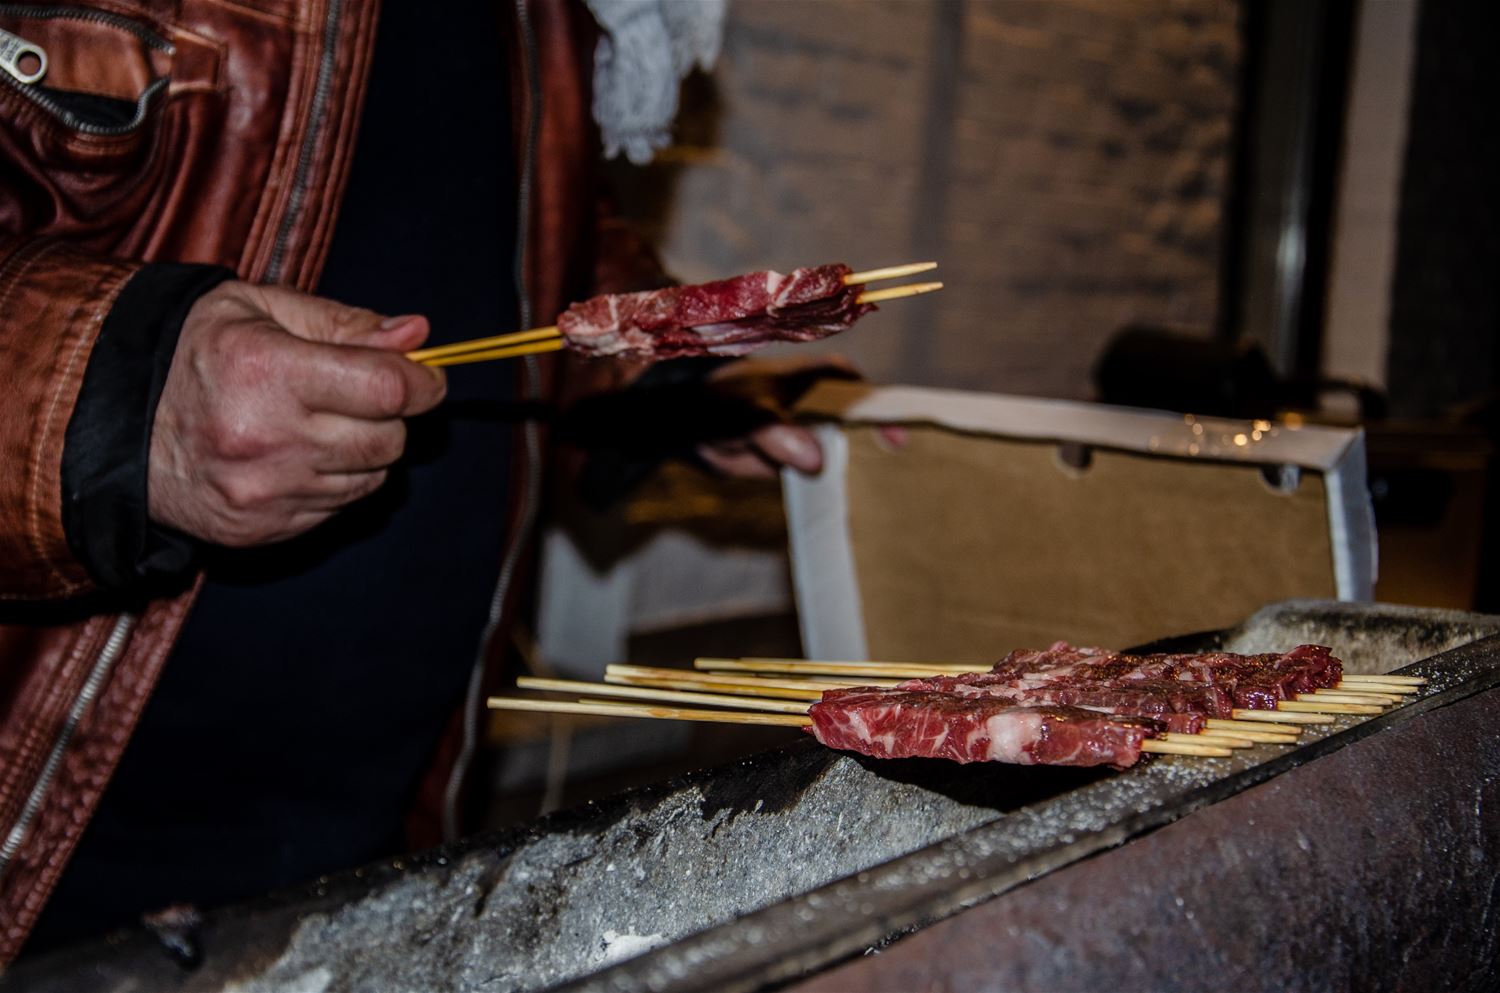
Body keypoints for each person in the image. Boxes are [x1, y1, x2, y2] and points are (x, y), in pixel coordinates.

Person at [0, 0, 829, 959]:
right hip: (60, 845)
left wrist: (666, 383)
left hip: (380, 817)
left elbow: (527, 238)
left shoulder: (544, 18)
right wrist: (118, 392)